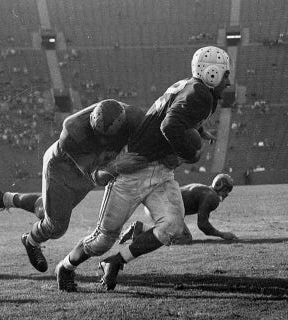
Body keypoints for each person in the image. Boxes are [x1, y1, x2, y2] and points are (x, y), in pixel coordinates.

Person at [54, 46, 231, 292]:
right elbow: (169, 125)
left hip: (159, 171)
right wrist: (186, 153)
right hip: (135, 171)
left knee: (172, 226)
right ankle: (65, 267)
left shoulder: (192, 87)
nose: (228, 80)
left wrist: (199, 131)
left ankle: (115, 262)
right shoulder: (200, 94)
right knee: (102, 240)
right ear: (212, 73)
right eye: (226, 74)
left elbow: (175, 113)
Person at [0, 99, 147, 273]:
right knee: (56, 226)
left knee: (47, 211)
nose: (101, 139)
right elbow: (95, 176)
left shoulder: (135, 118)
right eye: (96, 133)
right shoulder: (73, 129)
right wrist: (118, 165)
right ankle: (30, 241)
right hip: (63, 166)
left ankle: (2, 199)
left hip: (97, 165)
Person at [119, 173, 237, 245]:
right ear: (221, 186)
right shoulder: (212, 197)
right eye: (227, 190)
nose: (227, 194)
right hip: (164, 206)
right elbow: (203, 225)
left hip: (157, 204)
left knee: (175, 234)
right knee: (184, 237)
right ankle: (140, 230)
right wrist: (222, 235)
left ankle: (140, 229)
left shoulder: (205, 190)